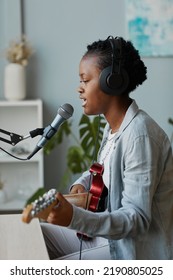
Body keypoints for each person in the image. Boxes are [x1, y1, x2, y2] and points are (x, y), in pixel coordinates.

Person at [41, 36, 173, 260]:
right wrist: (80, 186)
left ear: (111, 82)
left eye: (85, 80)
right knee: (39, 235)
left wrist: (74, 217)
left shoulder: (140, 136)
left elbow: (137, 219)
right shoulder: (114, 128)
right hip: (116, 238)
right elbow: (102, 168)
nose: (79, 89)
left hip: (139, 252)